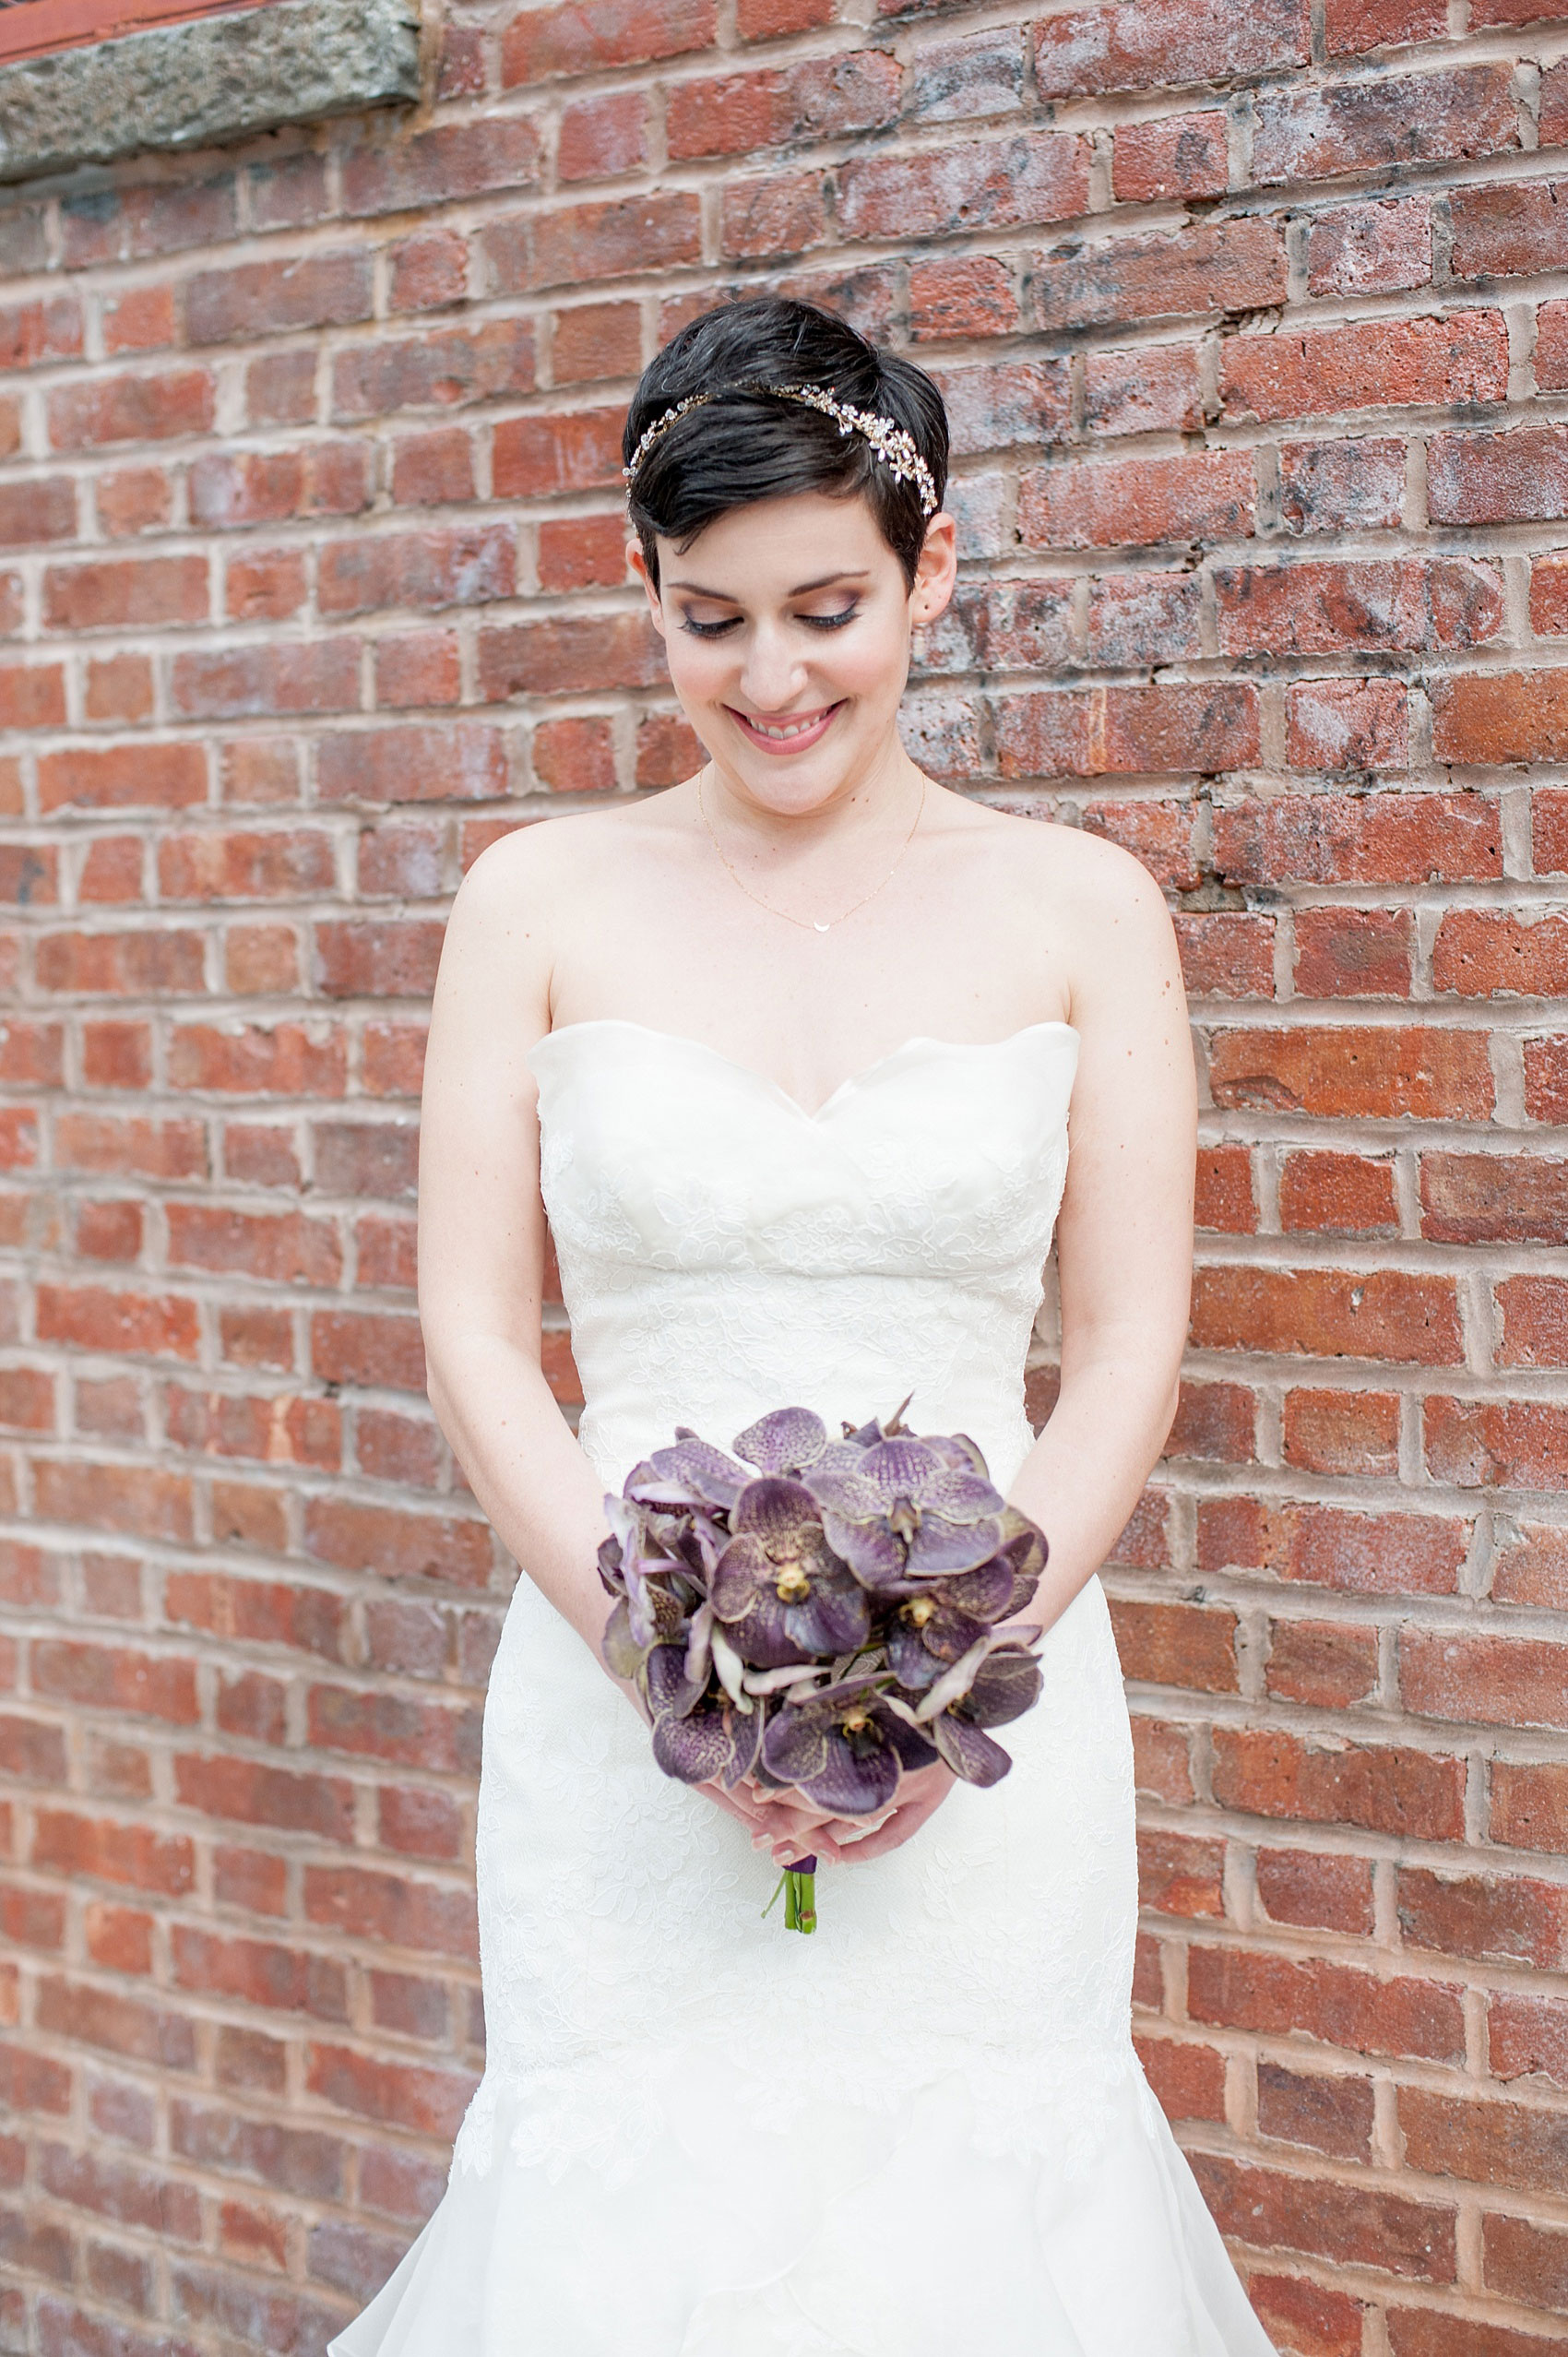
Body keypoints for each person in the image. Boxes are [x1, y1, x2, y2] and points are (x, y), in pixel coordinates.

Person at [328, 293, 1277, 2356]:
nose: (770, 677)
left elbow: (1124, 1347)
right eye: (711, 619)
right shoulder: (534, 902)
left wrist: (945, 1677)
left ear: (930, 574)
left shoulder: (1082, 908)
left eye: (826, 608)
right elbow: (479, 1337)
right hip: (615, 1712)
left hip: (993, 1715)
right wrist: (659, 1667)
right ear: (648, 598)